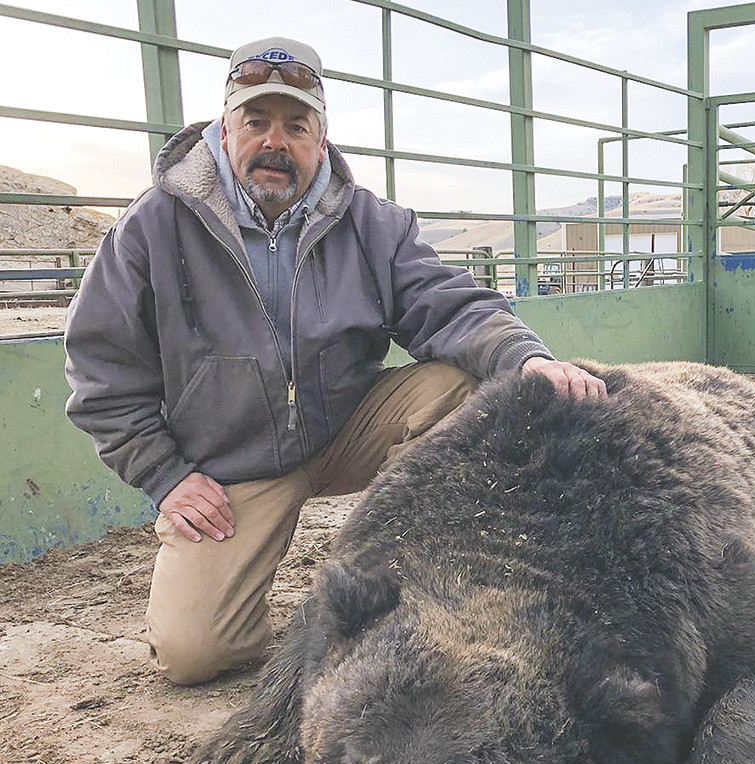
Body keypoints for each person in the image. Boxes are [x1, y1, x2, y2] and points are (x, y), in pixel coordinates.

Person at [65, 36, 606, 686]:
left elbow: (447, 303)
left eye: (296, 126)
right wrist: (165, 475)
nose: (275, 141)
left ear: (320, 140)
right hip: (231, 464)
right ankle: (235, 610)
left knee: (466, 385)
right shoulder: (153, 228)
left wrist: (526, 361)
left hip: (347, 425)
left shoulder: (371, 222)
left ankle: (427, 583)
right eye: (257, 121)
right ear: (224, 127)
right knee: (194, 654)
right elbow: (100, 370)